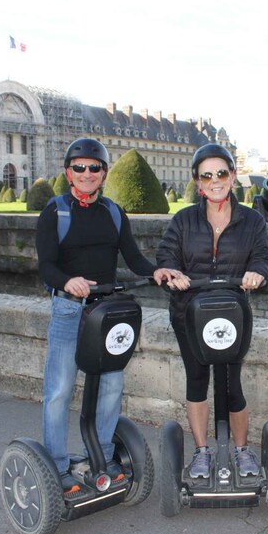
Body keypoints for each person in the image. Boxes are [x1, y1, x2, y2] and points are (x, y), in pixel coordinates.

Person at [36, 137, 179, 491]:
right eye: (79, 168)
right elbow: (46, 268)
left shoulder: (113, 212)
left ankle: (99, 454)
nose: (87, 174)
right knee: (60, 389)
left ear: (104, 172)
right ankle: (56, 464)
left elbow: (133, 257)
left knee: (112, 385)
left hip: (107, 312)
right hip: (70, 310)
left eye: (94, 167)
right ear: (68, 172)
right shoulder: (55, 212)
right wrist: (69, 281)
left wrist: (157, 272)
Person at [156, 143, 268, 479]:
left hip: (232, 315)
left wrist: (258, 273)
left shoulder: (251, 220)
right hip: (189, 315)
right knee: (197, 380)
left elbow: (264, 259)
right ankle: (202, 452)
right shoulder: (183, 220)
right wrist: (169, 272)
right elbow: (166, 258)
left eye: (221, 173)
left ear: (233, 176)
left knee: (232, 383)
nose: (215, 181)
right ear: (198, 182)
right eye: (207, 176)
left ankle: (240, 450)